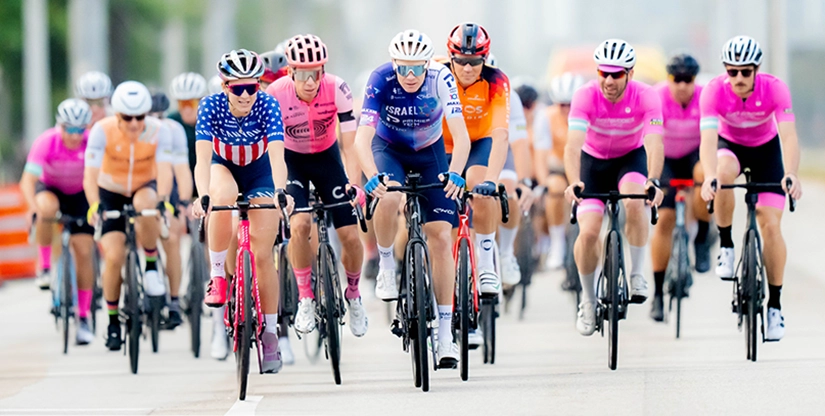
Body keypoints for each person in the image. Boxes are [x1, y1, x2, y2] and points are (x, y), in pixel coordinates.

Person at [355, 29, 469, 368]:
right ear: (393, 64)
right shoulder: (380, 78)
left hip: (429, 151)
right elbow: (362, 140)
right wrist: (372, 175)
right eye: (402, 68)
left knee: (440, 236)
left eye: (416, 68)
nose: (409, 75)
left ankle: (446, 334)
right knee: (389, 198)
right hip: (388, 149)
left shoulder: (441, 77)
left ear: (427, 66)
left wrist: (457, 172)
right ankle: (388, 265)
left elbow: (460, 137)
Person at [192, 49, 290, 373]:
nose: (246, 95)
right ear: (225, 87)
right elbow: (203, 160)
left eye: (253, 87)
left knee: (263, 256)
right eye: (238, 88)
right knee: (223, 194)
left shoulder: (267, 104)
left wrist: (280, 191)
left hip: (260, 171)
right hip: (223, 167)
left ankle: (272, 333)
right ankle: (218, 275)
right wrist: (203, 195)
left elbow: (277, 155)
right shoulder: (210, 106)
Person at [699, 36, 802, 341]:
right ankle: (727, 246)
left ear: (756, 70)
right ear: (725, 71)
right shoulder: (713, 91)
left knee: (770, 226)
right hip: (730, 146)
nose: (739, 78)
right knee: (722, 174)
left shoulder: (775, 88)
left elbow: (789, 137)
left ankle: (775, 307)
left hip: (766, 150)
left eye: (745, 72)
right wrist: (708, 176)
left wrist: (792, 174)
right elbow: (707, 140)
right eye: (732, 72)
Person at [266, 34, 368, 340]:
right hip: (292, 160)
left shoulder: (338, 89)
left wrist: (353, 184)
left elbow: (350, 146)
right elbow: (272, 147)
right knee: (299, 225)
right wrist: (278, 188)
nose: (311, 81)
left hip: (328, 158)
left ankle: (353, 294)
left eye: (317, 73)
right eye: (304, 74)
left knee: (349, 234)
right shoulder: (275, 94)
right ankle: (306, 297)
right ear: (291, 72)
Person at [564, 39, 664, 336]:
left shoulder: (646, 95)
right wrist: (573, 181)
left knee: (635, 203)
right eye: (603, 73)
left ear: (629, 74)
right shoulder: (584, 95)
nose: (608, 80)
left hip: (629, 159)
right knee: (590, 231)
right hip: (592, 164)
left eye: (616, 74)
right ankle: (587, 300)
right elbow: (572, 146)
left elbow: (655, 142)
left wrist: (653, 180)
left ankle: (635, 275)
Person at [83, 81, 175, 351]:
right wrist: (93, 205)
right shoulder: (102, 130)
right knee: (114, 257)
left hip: (143, 187)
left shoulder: (159, 131)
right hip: (110, 191)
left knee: (147, 202)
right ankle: (112, 322)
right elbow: (89, 174)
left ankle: (149, 266)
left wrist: (163, 201)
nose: (134, 124)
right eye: (127, 118)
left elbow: (165, 170)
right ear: (117, 115)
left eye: (140, 117)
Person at [442, 22, 510, 296]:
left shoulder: (496, 80)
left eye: (474, 62)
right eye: (461, 61)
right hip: (442, 145)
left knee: (478, 185)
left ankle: (485, 266)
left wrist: (492, 181)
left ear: (484, 58)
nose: (467, 69)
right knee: (444, 214)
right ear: (451, 58)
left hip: (479, 143)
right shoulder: (435, 73)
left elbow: (501, 135)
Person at [21, 99, 97, 345]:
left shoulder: (92, 142)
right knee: (46, 207)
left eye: (79, 129)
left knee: (84, 251)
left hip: (81, 195)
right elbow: (27, 181)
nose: (74, 136)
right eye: (69, 129)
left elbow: (101, 177)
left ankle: (84, 316)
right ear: (59, 126)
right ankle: (44, 267)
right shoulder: (46, 141)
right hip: (51, 190)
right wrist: (33, 209)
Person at [648, 54, 710, 322]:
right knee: (666, 219)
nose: (683, 85)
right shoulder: (657, 97)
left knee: (704, 176)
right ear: (668, 79)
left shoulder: (705, 97)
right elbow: (650, 138)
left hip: (695, 155)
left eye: (689, 79)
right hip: (667, 158)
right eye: (677, 79)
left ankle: (702, 237)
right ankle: (658, 294)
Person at [149, 92, 194, 329]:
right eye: (150, 115)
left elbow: (182, 169)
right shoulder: (137, 128)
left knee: (172, 237)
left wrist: (184, 200)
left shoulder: (173, 130)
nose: (155, 120)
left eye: (160, 115)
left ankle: (174, 300)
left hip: (169, 186)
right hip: (142, 183)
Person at [534, 73, 584, 270]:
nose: (566, 109)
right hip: (557, 166)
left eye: (570, 104)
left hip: (582, 168)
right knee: (554, 188)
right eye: (561, 104)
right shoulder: (546, 116)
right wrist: (543, 182)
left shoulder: (587, 113)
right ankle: (557, 243)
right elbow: (540, 153)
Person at [168, 72, 208, 175]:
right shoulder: (171, 123)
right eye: (182, 103)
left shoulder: (213, 121)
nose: (187, 109)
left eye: (191, 103)